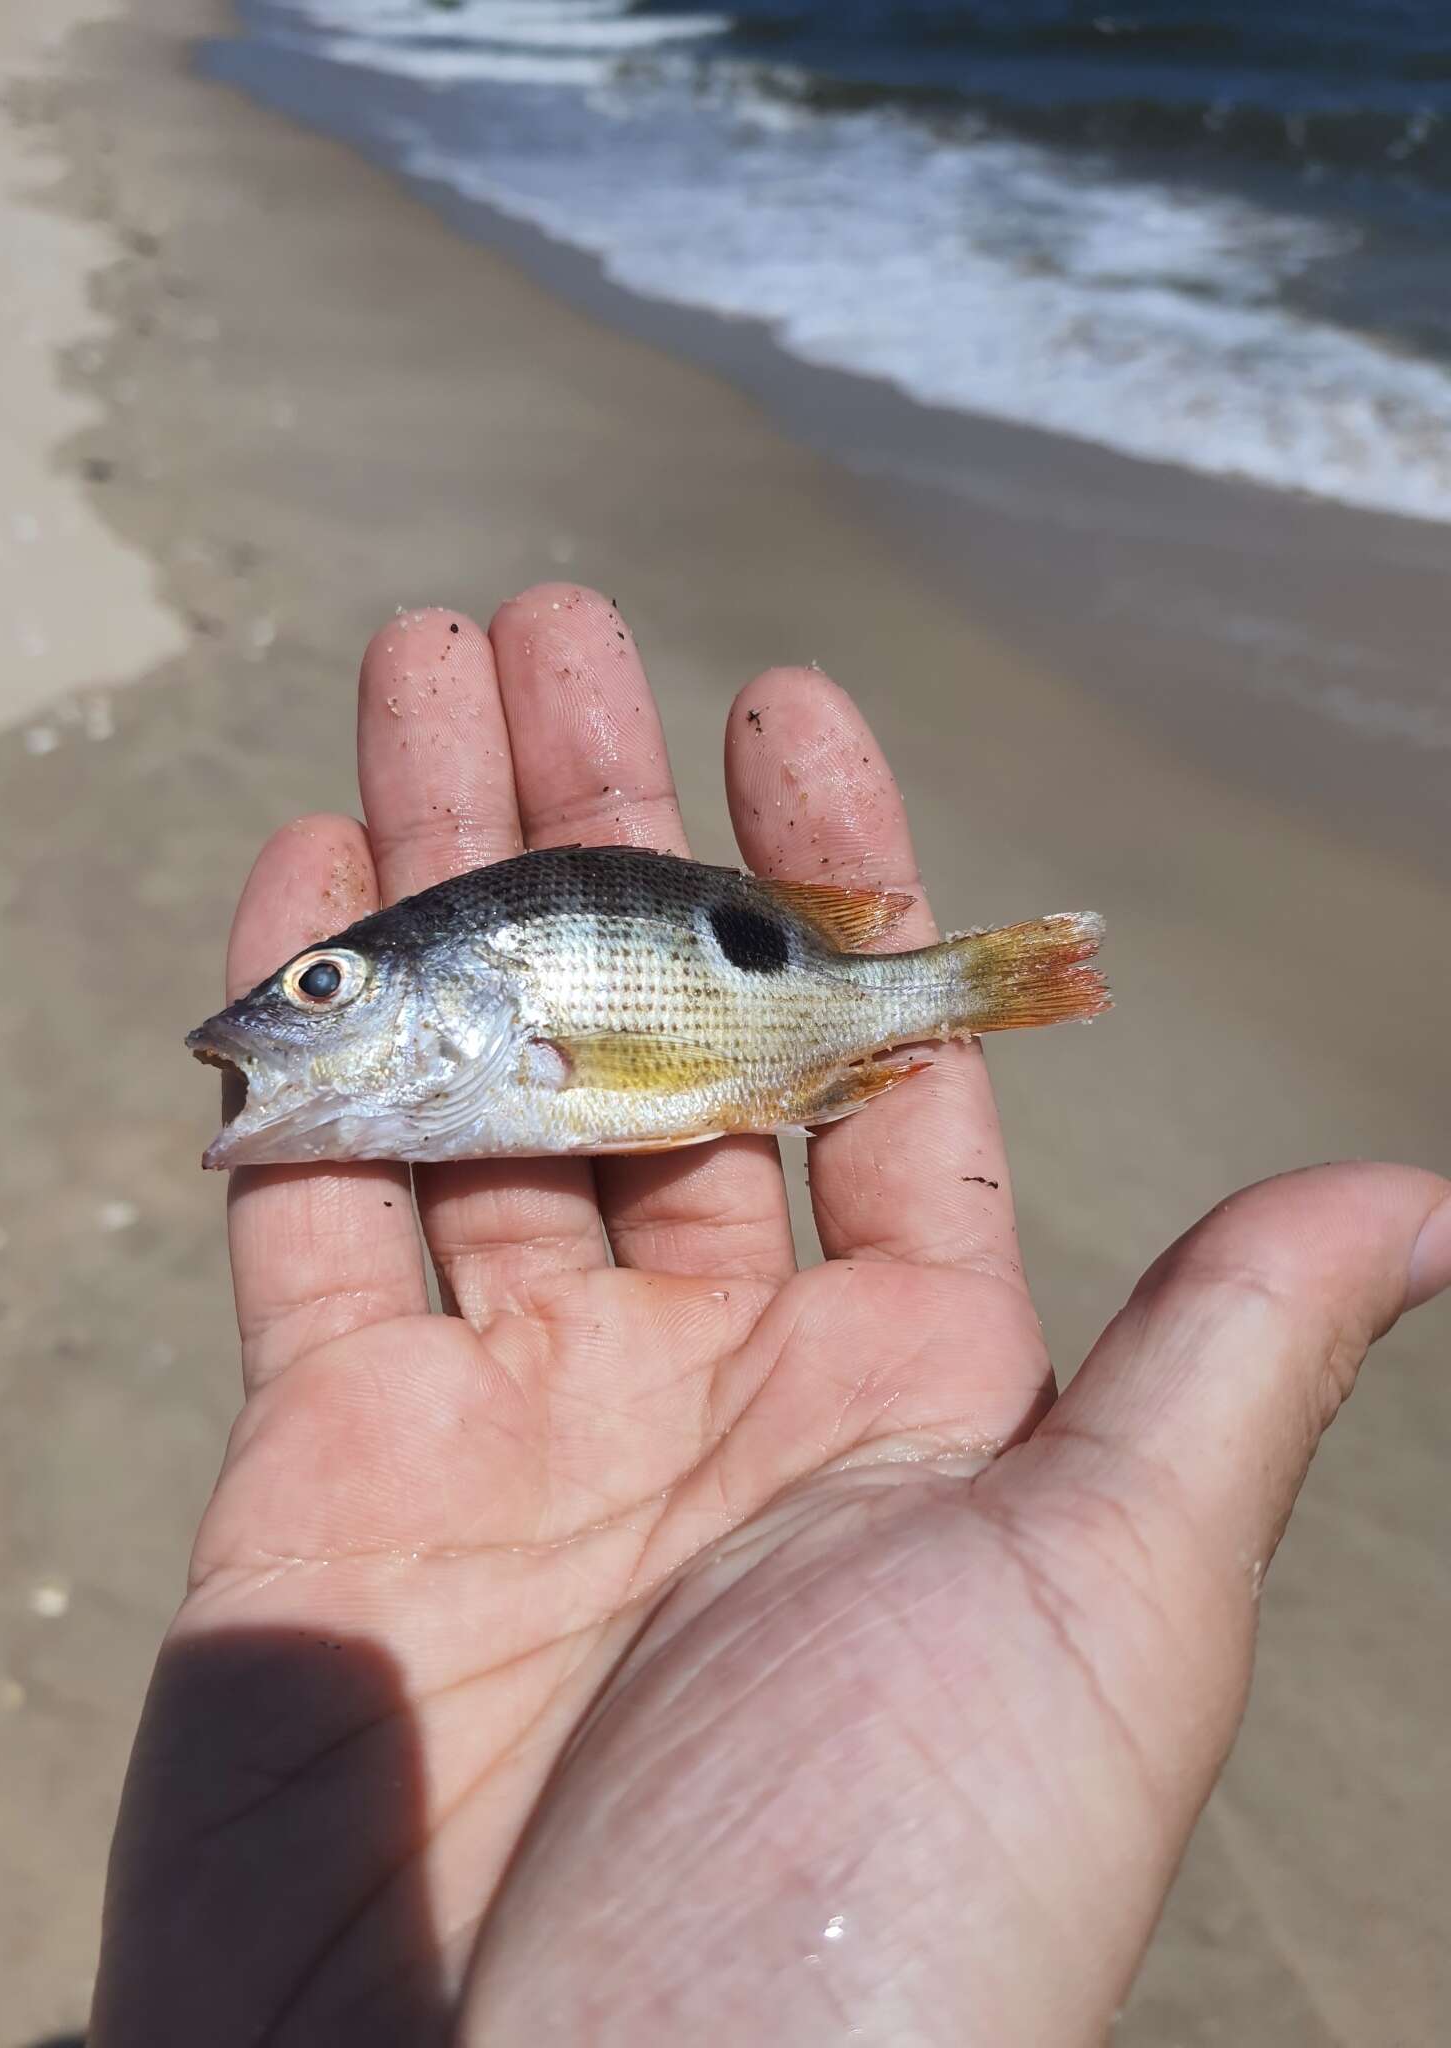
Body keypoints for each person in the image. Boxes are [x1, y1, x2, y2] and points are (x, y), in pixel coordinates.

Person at [90, 586, 1450, 2046]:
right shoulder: (477, 1056)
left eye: (323, 985)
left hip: (786, 1023)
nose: (280, 1019)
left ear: (460, 996)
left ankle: (960, 984)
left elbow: (651, 1049)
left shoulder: (535, 1017)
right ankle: (939, 986)